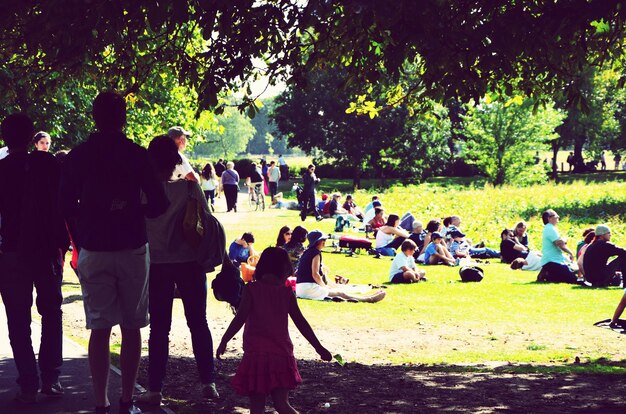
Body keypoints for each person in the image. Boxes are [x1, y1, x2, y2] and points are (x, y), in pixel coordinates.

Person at [60, 92, 169, 414]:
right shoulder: (136, 155)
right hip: (131, 244)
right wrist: (131, 208)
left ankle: (99, 401)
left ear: (94, 116)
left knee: (99, 325)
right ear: (123, 117)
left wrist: (88, 223)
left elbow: (64, 204)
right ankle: (126, 400)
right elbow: (159, 204)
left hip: (94, 245)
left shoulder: (79, 156)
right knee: (132, 325)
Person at [136, 136, 219, 406]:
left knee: (159, 328)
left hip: (157, 263)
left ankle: (155, 388)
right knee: (199, 322)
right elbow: (206, 223)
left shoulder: (142, 192)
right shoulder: (190, 189)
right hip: (189, 262)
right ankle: (208, 381)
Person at [0, 113, 68, 403]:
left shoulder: (1, 170)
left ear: (5, 138)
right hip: (46, 249)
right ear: (31, 137)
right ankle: (51, 377)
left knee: (18, 318)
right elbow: (62, 204)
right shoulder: (48, 164)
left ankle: (28, 380)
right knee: (51, 312)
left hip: (11, 250)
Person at [216, 247, 332, 414]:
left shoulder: (252, 290)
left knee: (257, 407)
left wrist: (224, 340)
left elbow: (239, 318)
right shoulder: (286, 293)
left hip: (256, 355)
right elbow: (301, 322)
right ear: (284, 269)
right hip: (281, 354)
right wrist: (318, 347)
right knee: (282, 404)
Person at [296, 230, 386, 302]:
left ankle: (368, 297)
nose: (324, 242)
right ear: (317, 242)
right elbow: (315, 274)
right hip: (308, 288)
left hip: (301, 288)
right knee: (341, 293)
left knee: (338, 291)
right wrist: (324, 286)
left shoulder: (308, 252)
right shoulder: (315, 253)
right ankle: (369, 299)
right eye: (322, 240)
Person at [539, 209, 578, 284]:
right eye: (556, 216)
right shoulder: (550, 229)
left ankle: (547, 275)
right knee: (573, 279)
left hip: (551, 261)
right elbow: (560, 244)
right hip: (553, 261)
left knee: (559, 278)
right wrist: (571, 253)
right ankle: (547, 274)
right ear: (549, 218)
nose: (558, 217)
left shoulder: (549, 228)